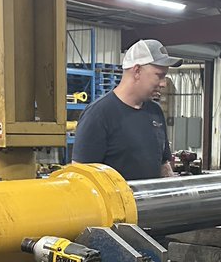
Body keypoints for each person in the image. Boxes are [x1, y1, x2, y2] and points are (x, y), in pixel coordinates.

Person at [72, 39, 180, 180]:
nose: (164, 83)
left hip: (151, 201)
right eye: (159, 76)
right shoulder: (99, 115)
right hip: (115, 202)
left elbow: (163, 163)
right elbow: (80, 177)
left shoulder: (155, 112)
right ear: (137, 71)